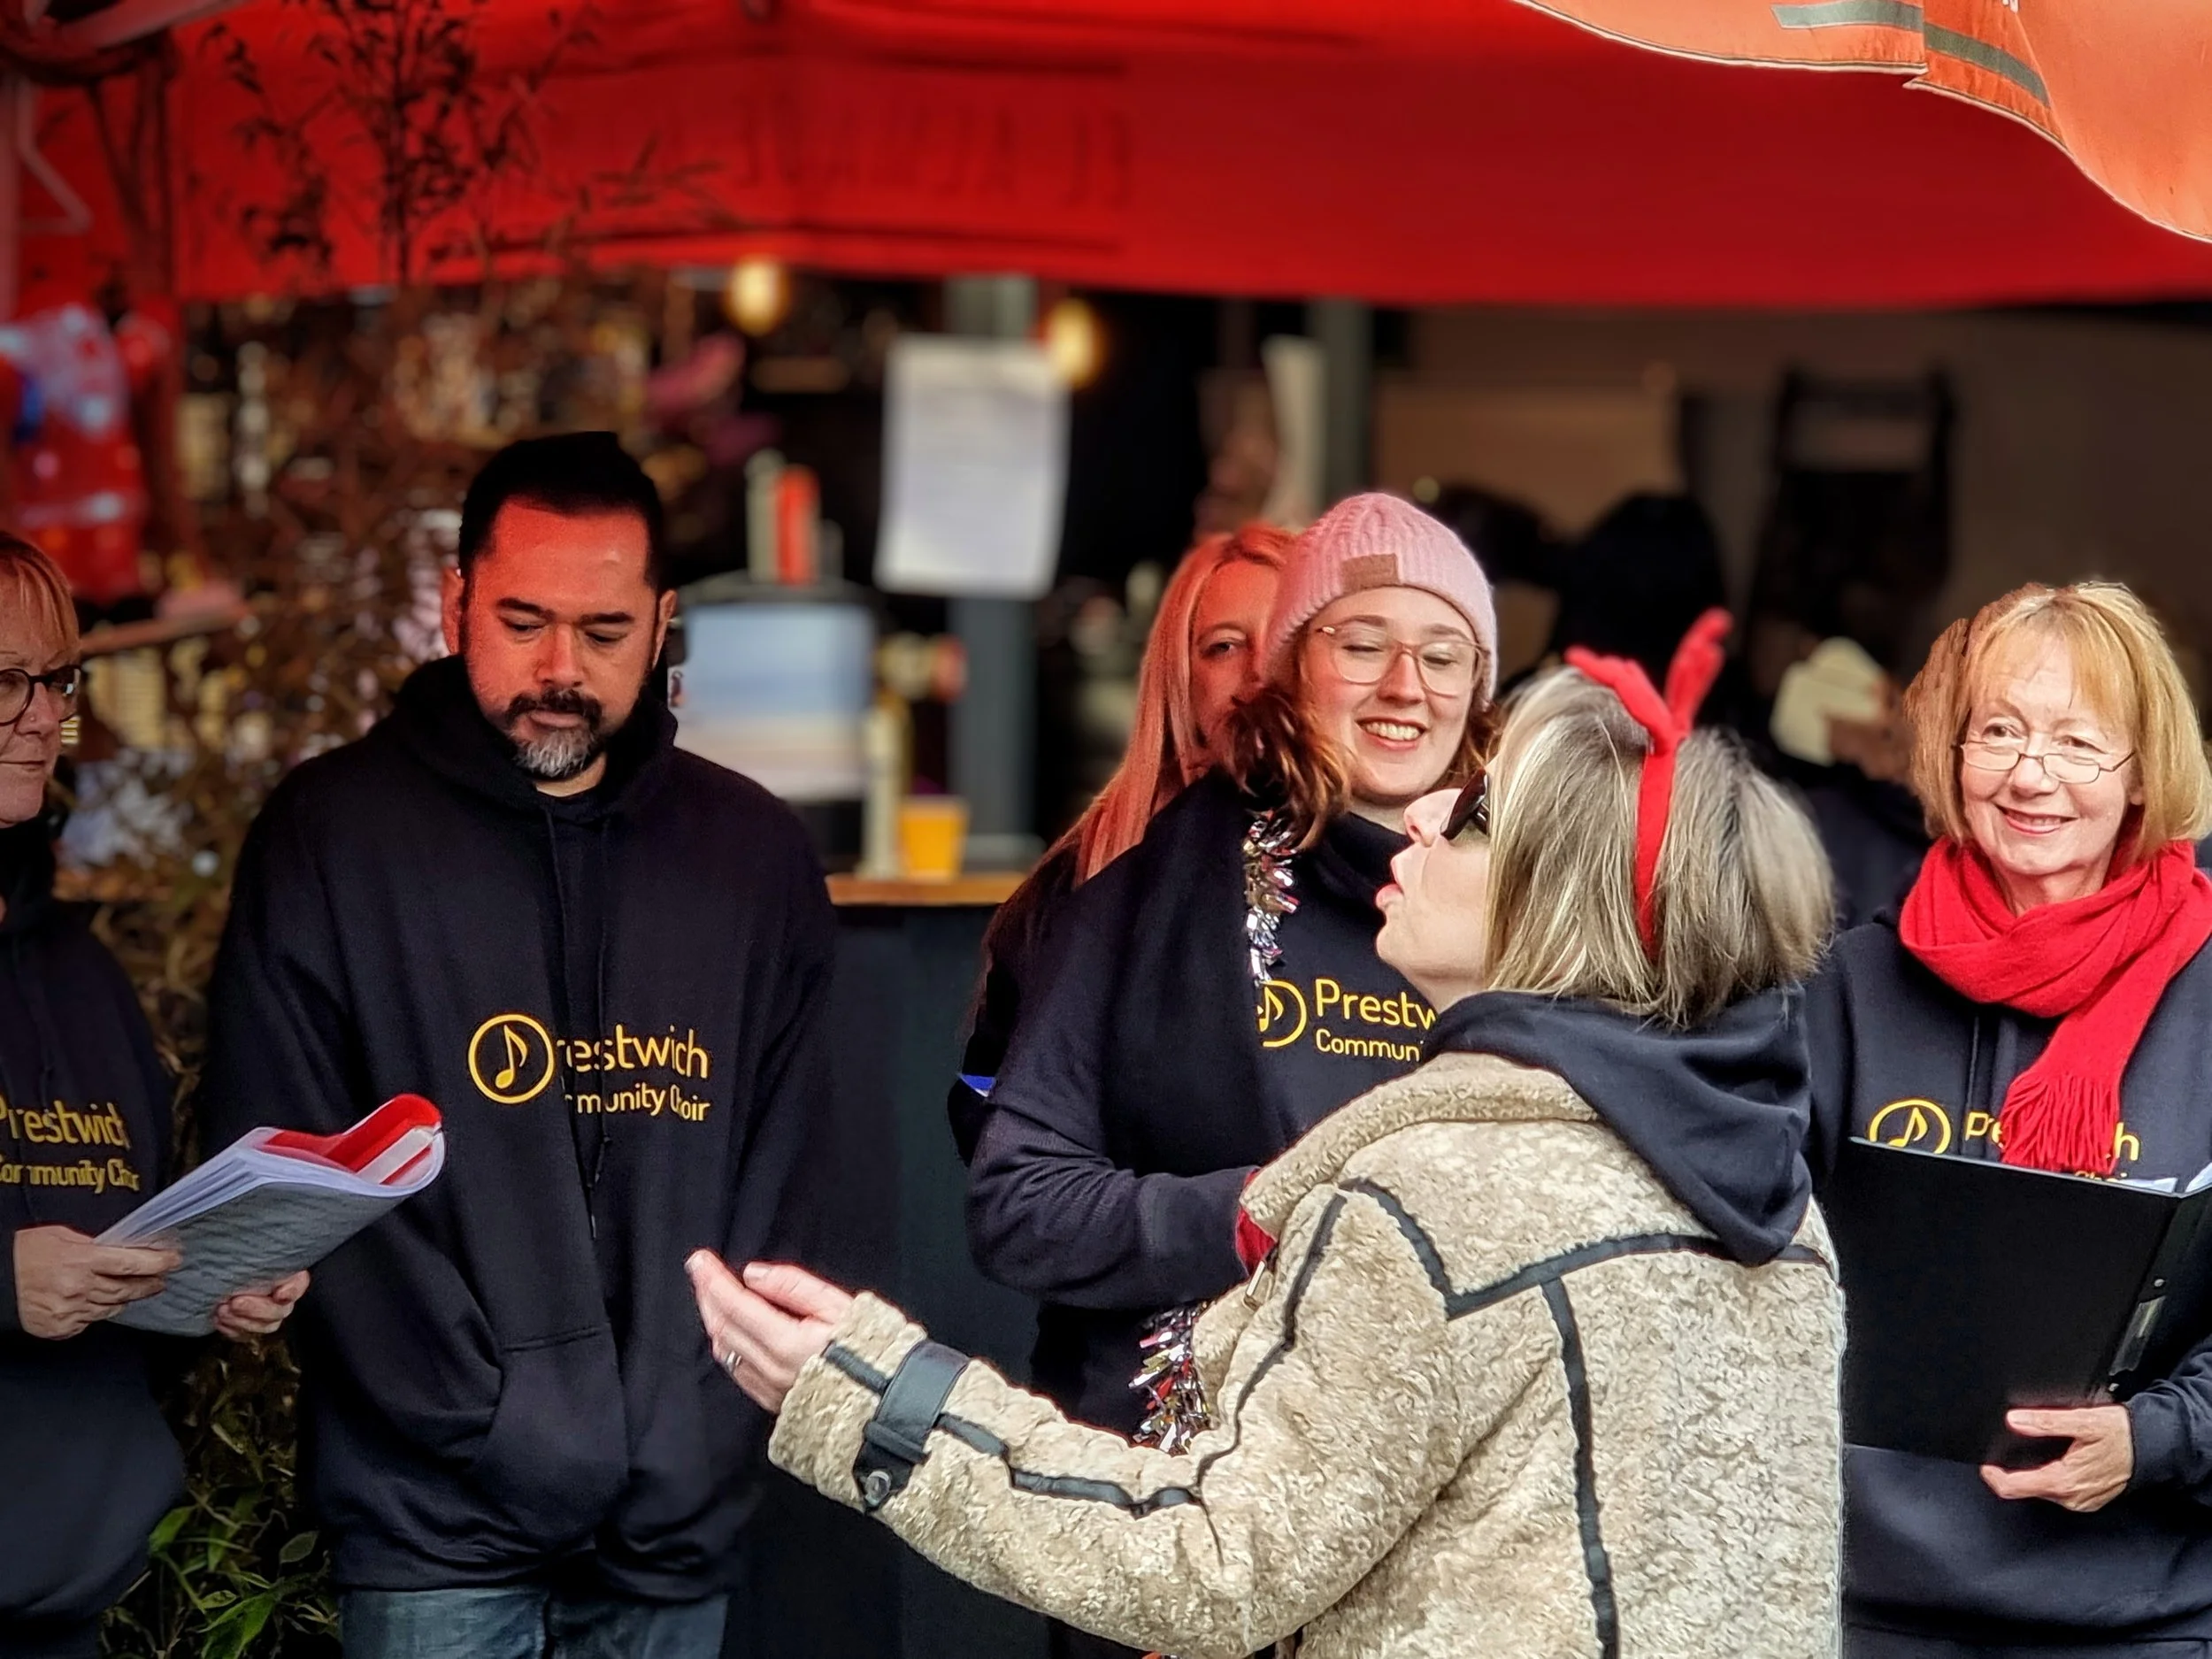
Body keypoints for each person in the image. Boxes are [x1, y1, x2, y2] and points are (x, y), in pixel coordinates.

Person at [685, 616, 1844, 1659]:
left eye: (1480, 811)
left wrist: (883, 1398)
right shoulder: (1781, 1206)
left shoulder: (1435, 1203)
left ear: (1558, 899)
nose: (1431, 804)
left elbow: (1213, 1565)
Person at [200, 433, 836, 1659]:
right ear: (452, 607)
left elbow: (793, 1187)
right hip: (430, 1521)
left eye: (602, 632)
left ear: (662, 626)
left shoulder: (751, 862)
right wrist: (493, 1422)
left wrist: (692, 1432)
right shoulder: (332, 837)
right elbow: (289, 1173)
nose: (559, 668)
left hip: (674, 1523)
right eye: (522, 619)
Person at [1806, 581, 2212, 1655]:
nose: (2031, 774)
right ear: (1950, 758)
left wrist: (2156, 1437)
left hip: (2139, 1616)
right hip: (1867, 1607)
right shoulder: (1848, 987)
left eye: (2080, 743)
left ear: (2143, 777)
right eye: (1999, 732)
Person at [0, 535, 305, 1658]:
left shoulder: (79, 975)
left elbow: (121, 1228)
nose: (43, 717)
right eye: (5, 683)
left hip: (77, 1599)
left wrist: (211, 1282)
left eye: (61, 681)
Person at [949, 523, 1288, 1163]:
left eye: (1284, 642)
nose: (1258, 675)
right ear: (1179, 680)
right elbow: (986, 1109)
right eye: (1223, 647)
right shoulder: (1080, 882)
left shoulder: (1397, 864)